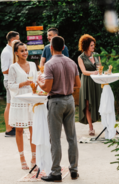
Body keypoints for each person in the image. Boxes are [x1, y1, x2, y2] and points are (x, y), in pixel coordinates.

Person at [37, 36, 81, 182]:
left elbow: (47, 88)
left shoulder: (49, 64)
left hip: (56, 102)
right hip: (69, 100)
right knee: (72, 137)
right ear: (63, 47)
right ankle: (74, 170)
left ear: (51, 48)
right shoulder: (72, 62)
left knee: (55, 139)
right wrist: (66, 85)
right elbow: (78, 84)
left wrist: (39, 82)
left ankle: (56, 172)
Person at [8, 41, 37, 170]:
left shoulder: (33, 65)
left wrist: (37, 84)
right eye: (22, 51)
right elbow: (10, 86)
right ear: (16, 53)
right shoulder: (13, 67)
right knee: (19, 129)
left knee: (33, 129)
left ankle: (34, 157)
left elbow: (35, 81)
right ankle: (22, 157)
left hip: (31, 100)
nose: (25, 52)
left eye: (26, 50)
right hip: (19, 101)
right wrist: (23, 83)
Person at [78, 34, 102, 136]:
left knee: (99, 102)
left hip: (96, 82)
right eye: (91, 45)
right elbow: (83, 72)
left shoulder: (96, 55)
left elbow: (100, 68)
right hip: (87, 82)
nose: (93, 47)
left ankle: (106, 124)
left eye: (93, 45)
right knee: (87, 104)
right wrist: (94, 72)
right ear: (86, 45)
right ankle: (91, 128)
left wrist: (99, 71)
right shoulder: (81, 57)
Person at [1, 31, 19, 137]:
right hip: (9, 81)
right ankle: (8, 129)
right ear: (12, 40)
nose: (20, 41)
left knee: (13, 104)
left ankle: (13, 126)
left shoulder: (12, 50)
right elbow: (4, 70)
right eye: (18, 39)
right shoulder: (6, 52)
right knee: (9, 104)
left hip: (14, 81)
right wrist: (17, 69)